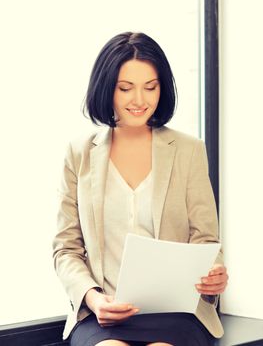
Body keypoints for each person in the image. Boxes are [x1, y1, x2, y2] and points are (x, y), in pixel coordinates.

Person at [52, 32, 228, 346]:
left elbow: (206, 240)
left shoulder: (188, 150)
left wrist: (214, 273)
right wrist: (94, 300)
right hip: (104, 314)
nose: (139, 100)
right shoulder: (78, 153)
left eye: (150, 87)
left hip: (177, 314)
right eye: (125, 88)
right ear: (107, 89)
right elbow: (66, 249)